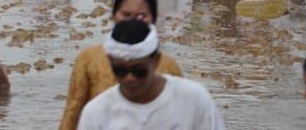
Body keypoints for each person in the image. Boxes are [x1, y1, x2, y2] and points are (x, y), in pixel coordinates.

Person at [60, 0, 184, 130]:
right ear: (113, 16)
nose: (133, 21)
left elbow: (182, 117)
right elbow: (72, 112)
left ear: (154, 18)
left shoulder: (169, 66)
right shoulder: (88, 59)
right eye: (126, 14)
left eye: (141, 16)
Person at [77, 19, 223, 129]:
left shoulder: (194, 99)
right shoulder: (96, 113)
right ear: (110, 62)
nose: (130, 78)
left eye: (138, 70)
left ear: (156, 61)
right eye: (120, 70)